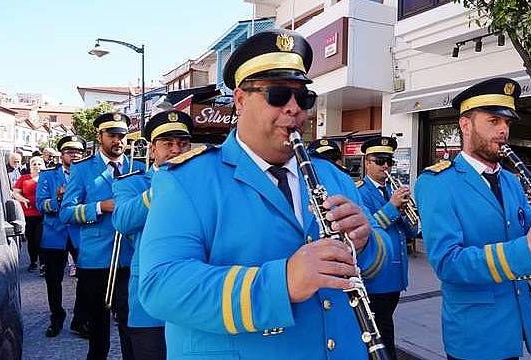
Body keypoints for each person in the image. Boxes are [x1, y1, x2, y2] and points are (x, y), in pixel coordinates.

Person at [139, 29, 392, 360]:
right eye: (277, 95)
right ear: (240, 100)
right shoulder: (186, 180)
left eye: (303, 98)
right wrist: (281, 283)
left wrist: (366, 242)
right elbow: (160, 287)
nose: (294, 110)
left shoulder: (333, 176)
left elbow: (378, 261)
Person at [414, 77, 531, 360]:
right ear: (466, 125)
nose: (503, 131)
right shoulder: (437, 182)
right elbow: (448, 264)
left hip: (516, 328)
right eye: (493, 121)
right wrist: (527, 245)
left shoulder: (512, 182)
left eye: (507, 123)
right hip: (474, 334)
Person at [60, 112, 143, 360]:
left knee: (132, 327)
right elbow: (66, 213)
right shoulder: (83, 169)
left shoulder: (138, 168)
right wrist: (99, 207)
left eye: (122, 136)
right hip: (96, 260)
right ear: (100, 136)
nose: (118, 141)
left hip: (130, 258)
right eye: (112, 135)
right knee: (98, 331)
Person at [112, 110, 193, 360]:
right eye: (167, 144)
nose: (176, 150)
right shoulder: (131, 183)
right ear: (152, 149)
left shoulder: (204, 181)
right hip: (150, 300)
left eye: (182, 143)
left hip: (194, 294)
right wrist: (164, 184)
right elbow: (123, 221)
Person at [356, 136, 417, 359]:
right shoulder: (359, 192)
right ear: (367, 162)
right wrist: (392, 207)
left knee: (382, 329)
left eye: (389, 161)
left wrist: (407, 215)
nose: (385, 166)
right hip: (376, 277)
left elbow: (411, 232)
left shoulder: (393, 189)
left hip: (396, 277)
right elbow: (368, 231)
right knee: (383, 337)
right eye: (380, 160)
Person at [36, 135, 90, 338]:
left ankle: (80, 320)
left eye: (78, 152)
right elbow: (41, 204)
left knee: (85, 278)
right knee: (53, 280)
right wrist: (59, 201)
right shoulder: (48, 175)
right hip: (54, 235)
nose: (74, 155)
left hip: (80, 234)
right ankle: (56, 318)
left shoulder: (86, 174)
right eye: (70, 151)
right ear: (62, 155)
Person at [13, 156, 46, 272]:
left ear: (43, 165)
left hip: (43, 214)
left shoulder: (47, 178)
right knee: (31, 240)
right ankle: (33, 262)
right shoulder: (24, 178)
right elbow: (15, 193)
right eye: (34, 164)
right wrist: (23, 200)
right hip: (28, 215)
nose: (37, 166)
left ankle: (43, 264)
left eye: (39, 164)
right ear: (30, 166)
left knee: (40, 239)